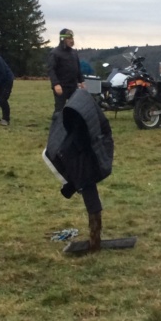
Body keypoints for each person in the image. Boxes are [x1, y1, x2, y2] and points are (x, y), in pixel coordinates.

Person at [44, 89, 114, 252]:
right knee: (82, 179)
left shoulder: (78, 147)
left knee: (87, 186)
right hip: (81, 140)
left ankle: (95, 239)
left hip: (88, 146)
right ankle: (74, 185)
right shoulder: (74, 126)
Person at [47, 28, 85, 113]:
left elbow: (78, 68)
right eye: (68, 38)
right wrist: (56, 84)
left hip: (73, 86)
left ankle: (71, 126)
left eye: (72, 38)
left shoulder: (74, 53)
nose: (71, 41)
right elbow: (51, 70)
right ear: (62, 39)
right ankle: (57, 125)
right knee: (59, 109)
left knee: (74, 108)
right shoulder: (55, 53)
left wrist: (81, 81)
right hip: (61, 86)